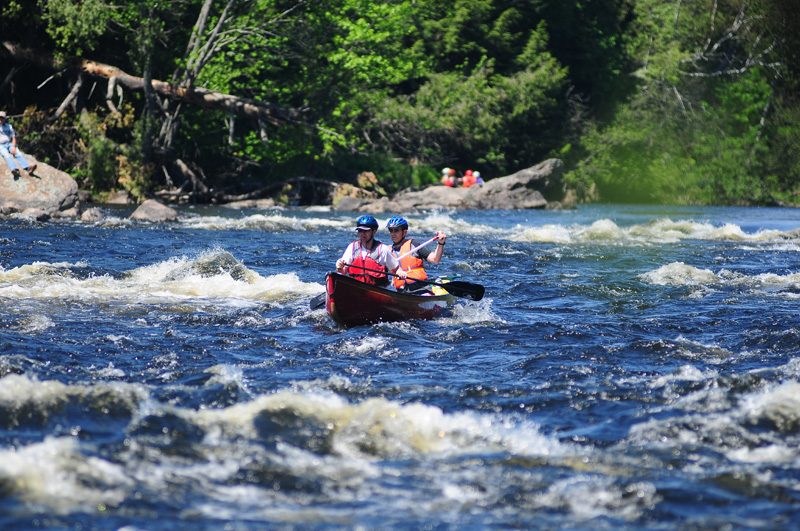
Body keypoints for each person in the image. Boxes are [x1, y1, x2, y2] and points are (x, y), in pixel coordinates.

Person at [336, 215, 407, 287]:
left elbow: (397, 269)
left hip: (377, 290)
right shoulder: (352, 247)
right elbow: (342, 273)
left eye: (366, 231)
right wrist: (339, 268)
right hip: (355, 288)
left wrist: (400, 273)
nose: (362, 233)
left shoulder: (383, 249)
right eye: (360, 231)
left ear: (374, 232)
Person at [386, 216, 447, 293]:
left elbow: (435, 259)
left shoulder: (414, 245)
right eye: (391, 230)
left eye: (396, 230)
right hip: (402, 292)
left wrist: (441, 243)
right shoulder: (388, 251)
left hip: (421, 289)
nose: (393, 233)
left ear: (404, 232)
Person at [0, 111, 36, 178]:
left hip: (9, 143)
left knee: (18, 153)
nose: (1, 119)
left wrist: (13, 147)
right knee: (7, 155)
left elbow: (13, 137)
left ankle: (28, 168)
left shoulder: (8, 126)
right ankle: (15, 170)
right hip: (1, 145)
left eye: (2, 118)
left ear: (5, 119)